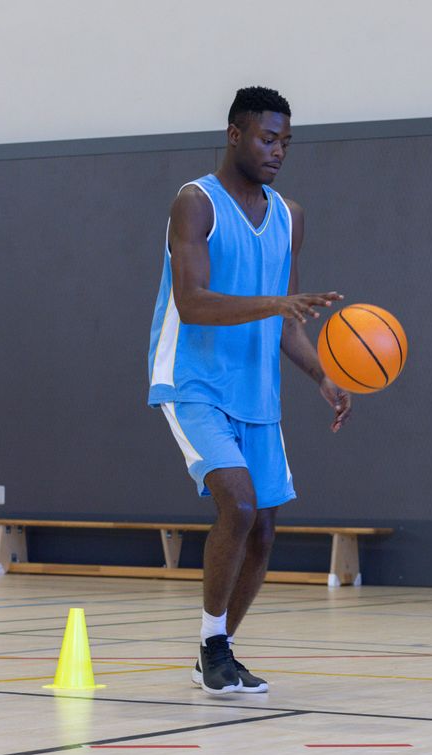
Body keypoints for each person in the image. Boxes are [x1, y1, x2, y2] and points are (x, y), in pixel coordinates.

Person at [148, 86, 351, 696]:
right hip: (194, 382)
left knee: (263, 527)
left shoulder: (290, 216)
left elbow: (286, 321)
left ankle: (220, 648)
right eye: (268, 138)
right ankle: (212, 647)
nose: (279, 150)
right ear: (235, 133)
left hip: (257, 393)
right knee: (236, 502)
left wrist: (322, 376)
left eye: (286, 141)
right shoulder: (195, 203)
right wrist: (276, 304)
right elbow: (194, 302)